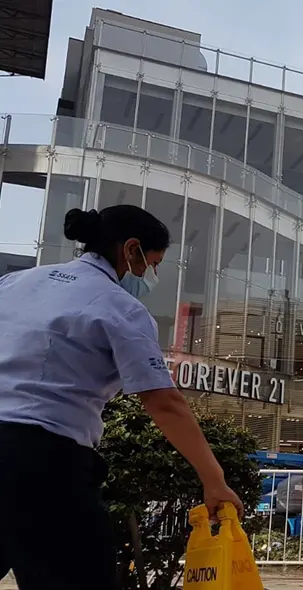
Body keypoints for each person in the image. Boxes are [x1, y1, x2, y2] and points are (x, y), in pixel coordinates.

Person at [0, 206, 245, 590]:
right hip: (42, 460)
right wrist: (214, 480)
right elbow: (163, 401)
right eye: (152, 264)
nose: (149, 276)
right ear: (131, 250)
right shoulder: (121, 307)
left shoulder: (14, 283)